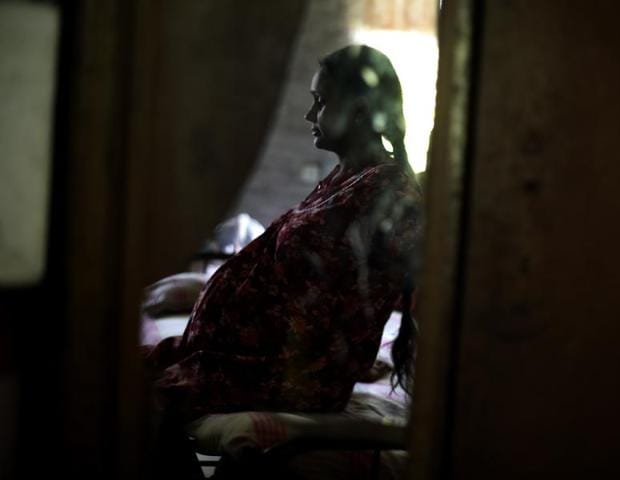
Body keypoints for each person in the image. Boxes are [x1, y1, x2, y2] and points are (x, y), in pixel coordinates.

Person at [144, 45, 422, 427]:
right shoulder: (343, 179)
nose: (310, 114)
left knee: (126, 397)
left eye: (320, 102)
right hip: (239, 358)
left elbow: (414, 280)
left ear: (358, 111)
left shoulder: (389, 190)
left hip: (291, 376)